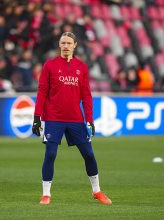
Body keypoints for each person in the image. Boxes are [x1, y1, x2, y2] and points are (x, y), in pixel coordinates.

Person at [32, 32, 112, 205]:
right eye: (63, 43)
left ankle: (97, 191)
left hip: (76, 119)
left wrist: (89, 119)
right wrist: (37, 117)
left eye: (69, 43)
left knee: (89, 154)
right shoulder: (50, 65)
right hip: (53, 118)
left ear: (75, 45)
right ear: (59, 45)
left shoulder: (81, 67)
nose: (66, 46)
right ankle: (46, 195)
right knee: (50, 154)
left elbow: (86, 95)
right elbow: (42, 92)